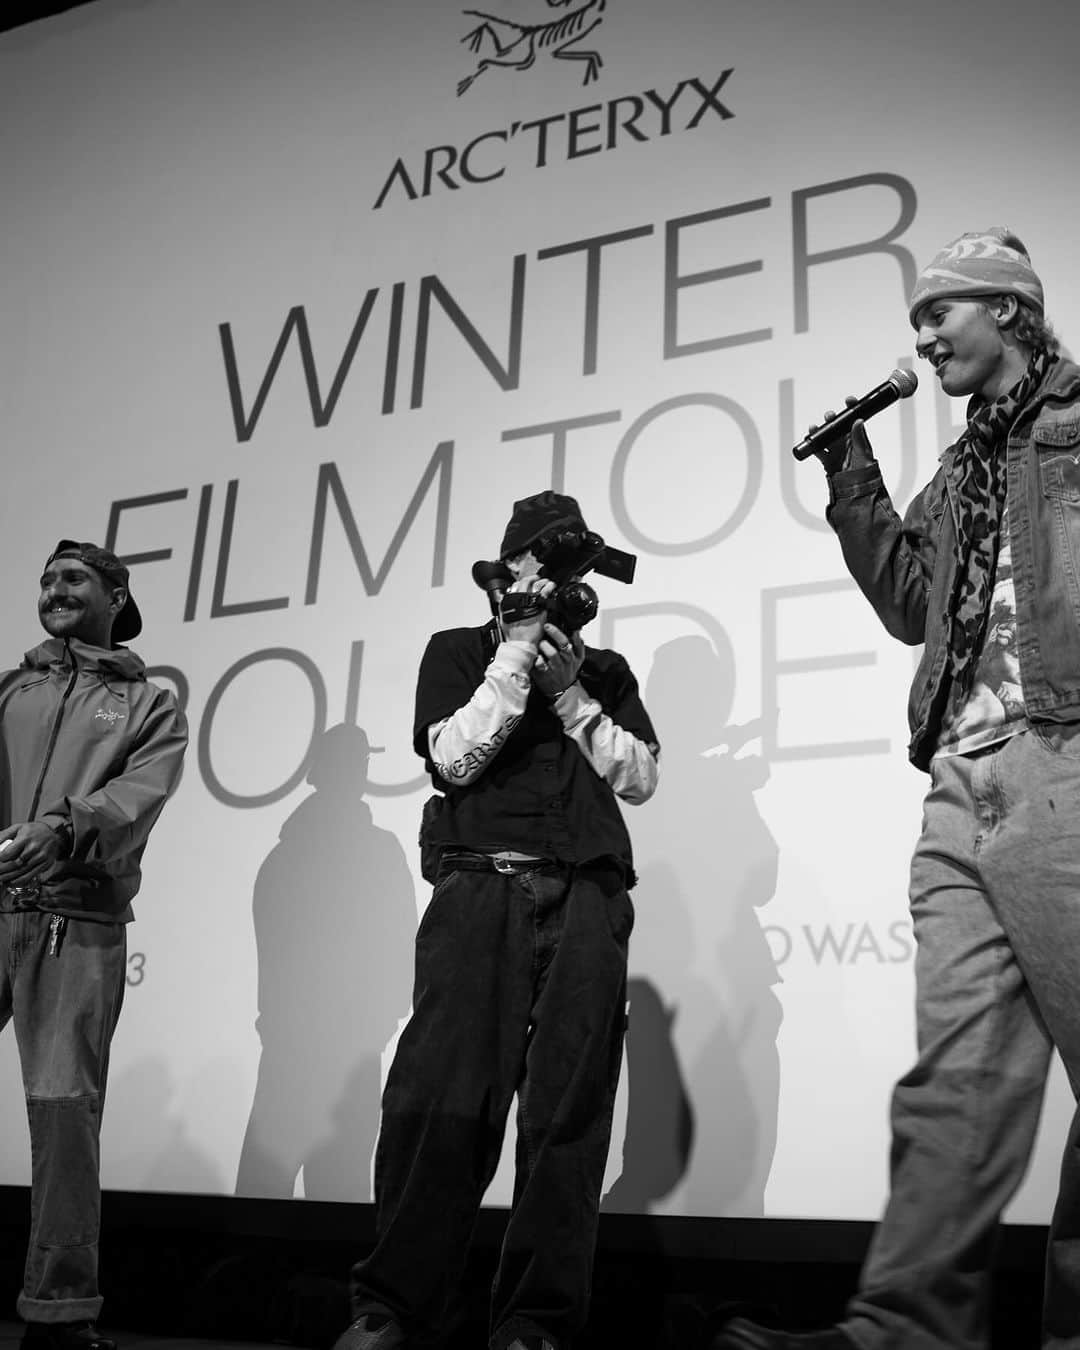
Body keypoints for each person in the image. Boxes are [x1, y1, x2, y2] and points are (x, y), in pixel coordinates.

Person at [715, 230, 1080, 1350]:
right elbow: (911, 605)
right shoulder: (963, 464)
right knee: (956, 1078)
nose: (921, 338)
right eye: (918, 322)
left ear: (1008, 311)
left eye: (939, 314)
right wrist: (850, 476)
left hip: (1067, 756)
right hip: (962, 781)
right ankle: (906, 1328)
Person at [333, 491, 660, 1350]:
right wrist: (516, 661)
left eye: (575, 575)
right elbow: (452, 759)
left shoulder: (609, 672)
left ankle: (535, 1324)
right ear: (505, 577)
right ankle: (392, 1308)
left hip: (588, 895)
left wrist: (572, 695)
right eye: (547, 571)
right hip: (481, 889)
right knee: (440, 1101)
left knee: (568, 1115)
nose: (563, 589)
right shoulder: (458, 652)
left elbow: (638, 779)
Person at [0, 541, 188, 1350]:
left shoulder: (150, 703)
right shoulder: (11, 689)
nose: (54, 590)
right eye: (47, 580)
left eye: (73, 578)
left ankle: (58, 1313)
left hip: (71, 922)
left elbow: (136, 796)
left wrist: (64, 826)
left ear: (116, 594)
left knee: (64, 1115)